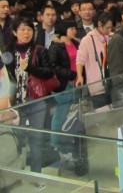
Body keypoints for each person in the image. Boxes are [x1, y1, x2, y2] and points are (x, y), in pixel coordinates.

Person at [5, 17, 55, 173]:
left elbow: (48, 73)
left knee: (36, 138)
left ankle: (36, 174)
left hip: (36, 100)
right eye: (22, 29)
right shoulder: (8, 52)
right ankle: (17, 172)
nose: (26, 33)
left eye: (29, 29)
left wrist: (30, 69)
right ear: (14, 32)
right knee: (17, 137)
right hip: (16, 102)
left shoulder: (39, 50)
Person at [48, 20, 78, 156]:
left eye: (74, 28)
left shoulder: (76, 43)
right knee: (61, 114)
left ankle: (69, 139)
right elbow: (53, 66)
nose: (73, 30)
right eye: (70, 28)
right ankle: (55, 142)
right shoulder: (56, 46)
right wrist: (71, 74)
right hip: (62, 84)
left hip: (76, 83)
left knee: (72, 114)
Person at [75, 12, 114, 108]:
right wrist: (79, 76)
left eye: (111, 27)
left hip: (112, 82)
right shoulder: (87, 39)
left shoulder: (112, 37)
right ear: (100, 24)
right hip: (96, 86)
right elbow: (80, 60)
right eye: (107, 27)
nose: (109, 30)